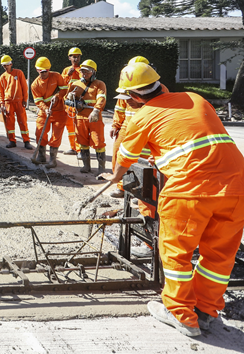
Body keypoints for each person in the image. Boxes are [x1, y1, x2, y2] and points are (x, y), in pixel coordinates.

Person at [102, 62, 244, 337]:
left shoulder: (143, 115)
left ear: (133, 97)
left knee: (176, 253)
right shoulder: (195, 98)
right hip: (237, 186)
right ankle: (204, 312)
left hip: (189, 190)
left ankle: (180, 314)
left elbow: (125, 158)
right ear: (159, 84)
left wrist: (114, 177)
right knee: (219, 256)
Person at [110, 56, 169, 200]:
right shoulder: (126, 89)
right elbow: (120, 107)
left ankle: (143, 191)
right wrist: (116, 124)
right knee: (119, 155)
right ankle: (122, 186)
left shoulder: (162, 90)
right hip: (127, 126)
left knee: (144, 161)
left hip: (147, 126)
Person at [66, 59, 107, 173]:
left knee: (98, 142)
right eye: (83, 71)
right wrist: (70, 98)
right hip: (80, 118)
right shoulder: (75, 84)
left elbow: (101, 98)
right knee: (82, 142)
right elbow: (66, 100)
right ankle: (86, 166)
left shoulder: (99, 84)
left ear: (93, 72)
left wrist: (96, 110)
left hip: (94, 118)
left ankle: (101, 168)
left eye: (87, 72)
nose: (85, 74)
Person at [30, 57, 68, 168]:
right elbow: (38, 100)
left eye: (45, 71)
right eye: (41, 71)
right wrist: (45, 109)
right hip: (44, 112)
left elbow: (64, 89)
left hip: (59, 111)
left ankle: (52, 160)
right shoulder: (35, 85)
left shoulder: (56, 76)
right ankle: (41, 156)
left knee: (56, 136)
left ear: (49, 69)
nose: (43, 73)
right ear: (37, 70)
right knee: (39, 132)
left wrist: (57, 96)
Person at [0, 55, 32, 149]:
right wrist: (2, 104)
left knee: (22, 121)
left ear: (11, 64)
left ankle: (26, 141)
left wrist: (25, 100)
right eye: (4, 65)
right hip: (8, 103)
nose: (6, 67)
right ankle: (12, 141)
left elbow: (24, 87)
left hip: (19, 102)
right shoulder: (2, 77)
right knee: (10, 122)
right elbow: (1, 92)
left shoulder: (19, 73)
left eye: (7, 65)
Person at [61, 47, 83, 155]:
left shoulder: (82, 70)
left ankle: (79, 150)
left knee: (78, 127)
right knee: (70, 127)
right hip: (68, 104)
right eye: (74, 57)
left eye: (78, 57)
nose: (76, 59)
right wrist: (67, 75)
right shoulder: (66, 70)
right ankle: (73, 148)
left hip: (78, 104)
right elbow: (61, 85)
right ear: (69, 57)